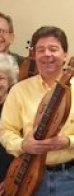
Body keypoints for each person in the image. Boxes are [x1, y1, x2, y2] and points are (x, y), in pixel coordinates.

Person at [0, 26, 74, 196]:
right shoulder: (18, 90)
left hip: (71, 178)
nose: (47, 54)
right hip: (27, 176)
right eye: (41, 50)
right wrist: (23, 145)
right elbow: (5, 131)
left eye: (53, 49)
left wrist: (68, 141)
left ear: (65, 54)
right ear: (34, 55)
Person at [0, 53, 18, 196]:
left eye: (1, 78)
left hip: (9, 182)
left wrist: (9, 180)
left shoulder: (16, 108)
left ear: (10, 81)